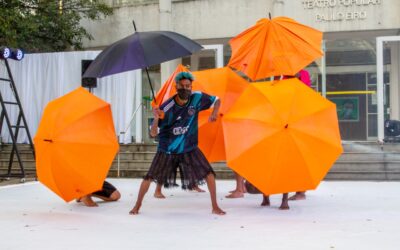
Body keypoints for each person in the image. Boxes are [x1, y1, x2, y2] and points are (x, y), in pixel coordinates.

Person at [129, 71, 225, 215]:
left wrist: (214, 112)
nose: (186, 89)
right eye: (183, 86)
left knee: (209, 173)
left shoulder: (197, 97)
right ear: (176, 87)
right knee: (150, 177)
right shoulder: (167, 107)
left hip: (189, 146)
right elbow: (153, 133)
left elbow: (217, 100)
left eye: (188, 86)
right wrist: (156, 118)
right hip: (168, 148)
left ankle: (215, 206)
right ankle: (137, 206)